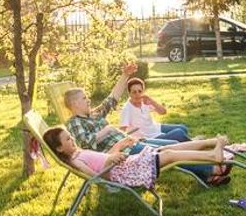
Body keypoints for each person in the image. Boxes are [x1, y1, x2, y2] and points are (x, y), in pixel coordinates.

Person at [64, 64, 228, 184]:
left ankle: (208, 172)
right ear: (75, 104)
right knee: (170, 152)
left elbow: (112, 98)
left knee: (173, 143)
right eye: (84, 98)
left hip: (131, 141)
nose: (89, 100)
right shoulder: (75, 122)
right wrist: (107, 130)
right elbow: (86, 143)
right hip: (122, 153)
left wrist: (125, 75)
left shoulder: (94, 114)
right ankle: (211, 170)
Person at [43, 126, 229, 190]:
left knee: (169, 148)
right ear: (59, 148)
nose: (72, 138)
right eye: (68, 139)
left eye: (70, 135)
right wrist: (111, 160)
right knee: (170, 155)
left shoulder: (78, 152)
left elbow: (105, 158)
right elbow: (96, 176)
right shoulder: (76, 161)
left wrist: (119, 145)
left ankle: (212, 143)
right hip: (128, 172)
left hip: (128, 164)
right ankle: (213, 155)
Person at [119, 78, 188, 140]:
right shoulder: (126, 109)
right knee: (179, 133)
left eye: (140, 91)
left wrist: (151, 101)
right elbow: (122, 130)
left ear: (143, 91)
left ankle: (191, 144)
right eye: (134, 92)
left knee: (183, 128)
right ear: (129, 93)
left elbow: (163, 112)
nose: (137, 94)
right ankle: (194, 144)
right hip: (149, 137)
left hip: (155, 128)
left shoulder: (145, 100)